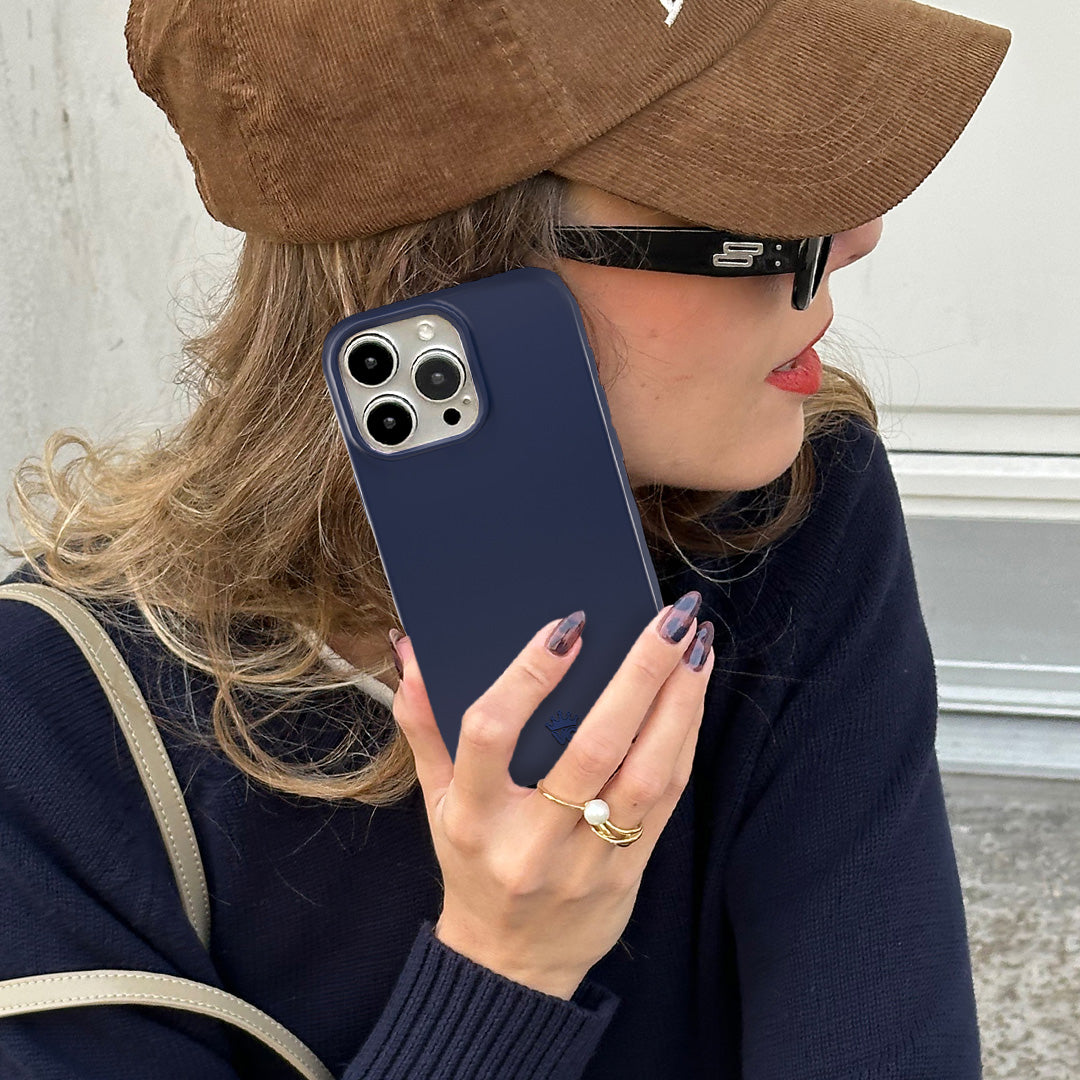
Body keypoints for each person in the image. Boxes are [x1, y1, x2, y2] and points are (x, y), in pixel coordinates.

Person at [0, 0, 1013, 1076]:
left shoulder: (792, 505)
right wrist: (506, 967)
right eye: (745, 210)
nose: (858, 237)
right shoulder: (52, 726)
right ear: (452, 285)